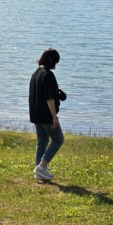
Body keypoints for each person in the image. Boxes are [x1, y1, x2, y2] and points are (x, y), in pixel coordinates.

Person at [29, 48, 66, 181]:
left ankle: (39, 170)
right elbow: (49, 99)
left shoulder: (36, 73)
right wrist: (54, 117)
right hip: (46, 115)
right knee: (58, 139)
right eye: (56, 62)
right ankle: (42, 167)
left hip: (36, 114)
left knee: (42, 141)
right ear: (51, 61)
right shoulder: (48, 75)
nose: (56, 65)